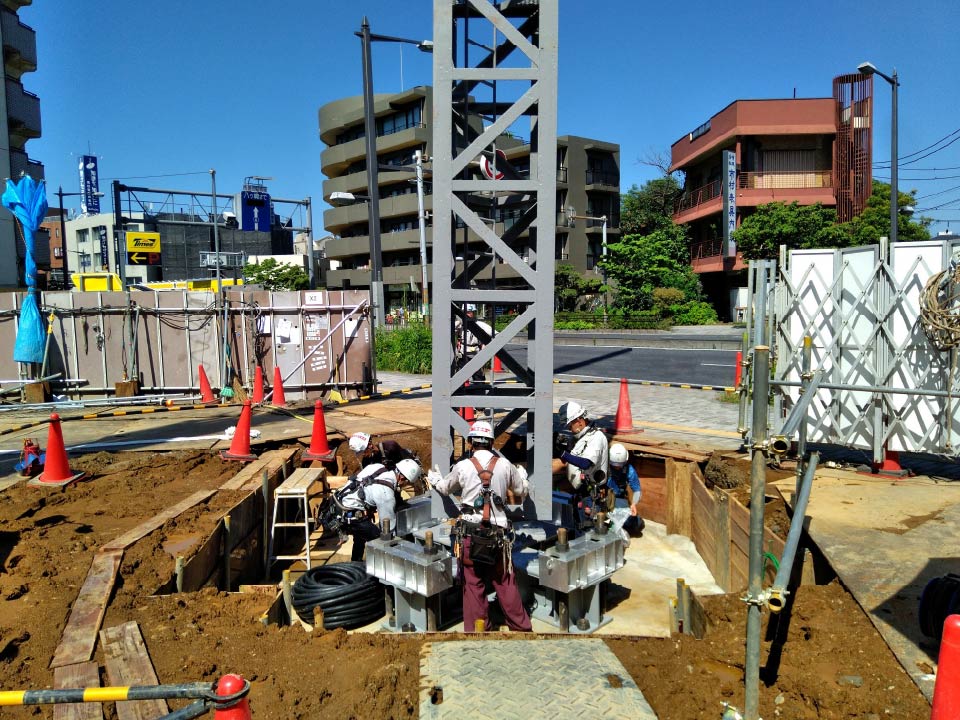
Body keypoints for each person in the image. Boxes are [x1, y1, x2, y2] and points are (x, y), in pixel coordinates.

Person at [427, 420, 532, 633]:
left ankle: (479, 630)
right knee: (505, 582)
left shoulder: (463, 466)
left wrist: (436, 480)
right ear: (492, 442)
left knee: (473, 584)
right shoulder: (505, 465)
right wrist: (521, 475)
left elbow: (445, 488)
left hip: (470, 534)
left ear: (470, 443)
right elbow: (522, 490)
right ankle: (521, 628)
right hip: (499, 535)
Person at [336, 457, 422, 562]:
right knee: (380, 541)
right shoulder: (386, 495)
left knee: (362, 533)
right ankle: (379, 571)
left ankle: (356, 562)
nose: (405, 485)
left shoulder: (378, 467)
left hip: (340, 505)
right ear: (402, 479)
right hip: (349, 515)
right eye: (407, 482)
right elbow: (387, 529)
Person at [551, 400, 609, 494]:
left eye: (570, 425)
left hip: (592, 492)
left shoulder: (596, 437)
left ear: (579, 421)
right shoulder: (580, 437)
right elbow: (571, 456)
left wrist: (562, 453)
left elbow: (585, 463)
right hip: (580, 489)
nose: (569, 429)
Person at [607, 443, 644, 536]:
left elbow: (637, 490)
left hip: (619, 500)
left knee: (637, 524)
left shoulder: (629, 470)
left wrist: (634, 504)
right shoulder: (603, 466)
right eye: (614, 465)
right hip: (604, 500)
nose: (617, 467)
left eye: (620, 465)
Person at [454, 304, 492, 381]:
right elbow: (448, 331)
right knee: (460, 377)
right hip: (463, 352)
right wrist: (458, 323)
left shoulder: (480, 324)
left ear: (473, 313)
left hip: (476, 352)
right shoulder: (460, 324)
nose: (468, 314)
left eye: (469, 312)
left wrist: (485, 346)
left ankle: (478, 389)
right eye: (465, 312)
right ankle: (460, 390)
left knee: (479, 377)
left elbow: (494, 334)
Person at [348, 431, 418, 473]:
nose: (362, 455)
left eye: (362, 452)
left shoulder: (390, 447)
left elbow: (407, 463)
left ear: (369, 445)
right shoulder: (366, 462)